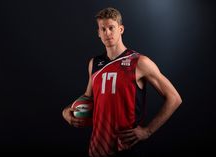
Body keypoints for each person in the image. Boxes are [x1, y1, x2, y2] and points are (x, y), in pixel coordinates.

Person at [62, 7, 182, 157]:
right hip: (98, 146)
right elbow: (88, 96)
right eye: (103, 29)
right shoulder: (94, 63)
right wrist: (67, 110)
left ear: (121, 29)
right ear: (98, 33)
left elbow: (174, 98)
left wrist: (148, 131)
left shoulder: (139, 62)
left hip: (125, 146)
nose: (107, 33)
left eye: (111, 28)